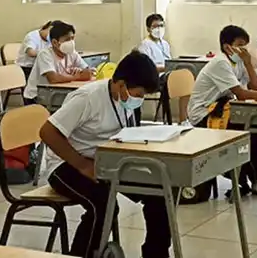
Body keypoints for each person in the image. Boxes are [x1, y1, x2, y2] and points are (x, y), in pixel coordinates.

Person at [40, 51, 167, 258]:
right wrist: (81, 165)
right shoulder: (87, 98)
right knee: (104, 204)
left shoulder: (124, 99)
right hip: (67, 163)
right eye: (139, 94)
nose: (140, 99)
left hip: (105, 161)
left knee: (158, 192)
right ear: (121, 83)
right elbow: (47, 132)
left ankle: (156, 254)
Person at [188, 25, 257, 198]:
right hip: (205, 115)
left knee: (256, 121)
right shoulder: (221, 62)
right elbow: (241, 94)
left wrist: (249, 63)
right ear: (228, 46)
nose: (244, 49)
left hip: (223, 109)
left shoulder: (239, 62)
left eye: (246, 45)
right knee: (252, 126)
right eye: (240, 44)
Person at [23, 20, 93, 105]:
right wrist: (75, 76)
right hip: (36, 97)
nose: (71, 42)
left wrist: (73, 75)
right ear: (55, 43)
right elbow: (53, 78)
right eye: (67, 39)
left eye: (72, 38)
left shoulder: (72, 52)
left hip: (56, 93)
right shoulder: (45, 54)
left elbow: (88, 73)